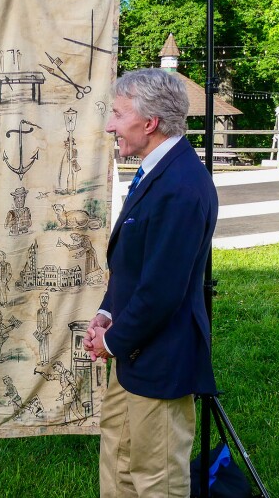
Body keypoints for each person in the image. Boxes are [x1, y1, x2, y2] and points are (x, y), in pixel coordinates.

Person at [84, 68, 218, 498]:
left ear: (150, 122)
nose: (110, 125)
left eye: (118, 114)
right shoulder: (157, 171)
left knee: (156, 478)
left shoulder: (180, 186)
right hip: (133, 354)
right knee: (121, 466)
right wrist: (107, 315)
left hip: (160, 361)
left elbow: (161, 291)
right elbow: (134, 265)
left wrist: (111, 341)